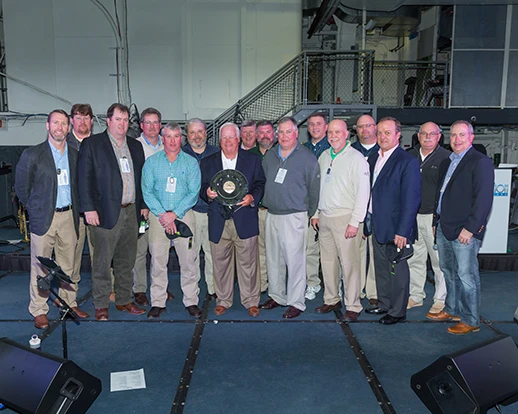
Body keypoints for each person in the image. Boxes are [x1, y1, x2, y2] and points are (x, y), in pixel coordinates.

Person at [15, 109, 88, 329]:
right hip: (44, 218)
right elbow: (21, 188)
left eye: (64, 124)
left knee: (68, 265)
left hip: (69, 217)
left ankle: (68, 304)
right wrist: (35, 210)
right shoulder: (33, 154)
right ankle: (39, 310)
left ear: (69, 128)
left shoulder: (75, 155)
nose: (59, 127)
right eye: (55, 123)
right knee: (41, 267)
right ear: (47, 126)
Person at [77, 103, 148, 321]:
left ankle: (124, 300)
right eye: (118, 119)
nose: (122, 124)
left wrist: (143, 205)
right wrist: (88, 208)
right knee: (102, 262)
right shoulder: (92, 144)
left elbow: (141, 179)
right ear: (108, 121)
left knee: (126, 260)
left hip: (131, 211)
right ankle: (101, 304)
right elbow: (83, 178)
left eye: (125, 120)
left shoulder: (135, 146)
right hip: (103, 212)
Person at [427, 120, 494, 335]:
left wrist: (471, 229)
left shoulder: (480, 162)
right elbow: (440, 195)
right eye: (454, 135)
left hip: (464, 230)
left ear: (471, 137)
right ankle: (452, 309)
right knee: (449, 272)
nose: (457, 139)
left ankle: (470, 319)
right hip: (444, 226)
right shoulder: (447, 162)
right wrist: (436, 222)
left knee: (467, 276)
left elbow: (483, 199)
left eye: (462, 135)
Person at [200, 122, 265, 317]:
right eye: (224, 138)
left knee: (249, 264)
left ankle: (251, 301)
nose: (228, 141)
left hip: (244, 218)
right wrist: (206, 192)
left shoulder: (253, 159)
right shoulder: (208, 162)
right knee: (220, 263)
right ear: (219, 141)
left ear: (238, 139)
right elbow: (201, 186)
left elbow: (260, 183)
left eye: (231, 137)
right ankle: (223, 300)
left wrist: (252, 197)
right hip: (218, 220)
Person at [260, 117, 320, 319]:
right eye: (281, 132)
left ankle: (296, 302)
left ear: (296, 133)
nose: (284, 136)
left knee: (295, 262)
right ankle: (277, 295)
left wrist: (310, 212)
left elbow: (314, 188)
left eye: (288, 132)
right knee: (273, 259)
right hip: (272, 214)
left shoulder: (307, 158)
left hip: (294, 215)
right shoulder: (270, 155)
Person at [312, 120, 370, 321]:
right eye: (330, 132)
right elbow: (319, 187)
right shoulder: (324, 156)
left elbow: (363, 192)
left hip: (346, 218)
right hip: (325, 217)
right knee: (327, 262)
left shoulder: (356, 158)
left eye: (338, 132)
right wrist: (316, 213)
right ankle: (331, 299)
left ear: (347, 134)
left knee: (349, 264)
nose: (333, 136)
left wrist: (355, 221)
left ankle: (353, 305)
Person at [365, 117, 421, 324]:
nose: (382, 136)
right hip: (377, 224)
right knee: (381, 268)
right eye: (379, 132)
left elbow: (411, 199)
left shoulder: (407, 161)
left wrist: (403, 231)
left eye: (387, 132)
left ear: (398, 135)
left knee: (397, 271)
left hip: (397, 227)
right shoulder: (373, 158)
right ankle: (385, 304)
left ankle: (398, 312)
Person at [142, 123, 201, 318]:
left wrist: (174, 214)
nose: (173, 140)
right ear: (163, 138)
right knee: (158, 262)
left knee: (189, 261)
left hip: (184, 216)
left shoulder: (191, 163)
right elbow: (147, 191)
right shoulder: (151, 162)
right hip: (158, 217)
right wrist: (163, 215)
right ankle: (158, 302)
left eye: (176, 136)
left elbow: (193, 192)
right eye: (169, 136)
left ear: (181, 139)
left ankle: (191, 300)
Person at [407, 122, 450, 314]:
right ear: (418, 135)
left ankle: (440, 300)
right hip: (413, 217)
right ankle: (415, 296)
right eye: (424, 133)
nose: (427, 137)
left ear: (439, 136)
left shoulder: (446, 158)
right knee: (414, 258)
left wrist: (438, 219)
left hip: (433, 218)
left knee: (439, 262)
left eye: (432, 134)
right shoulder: (410, 156)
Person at [132, 107, 166, 306]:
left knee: (160, 252)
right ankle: (139, 289)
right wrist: (142, 204)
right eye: (148, 122)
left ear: (160, 125)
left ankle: (160, 288)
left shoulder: (168, 144)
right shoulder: (133, 146)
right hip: (142, 210)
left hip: (164, 210)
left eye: (155, 122)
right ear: (141, 125)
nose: (152, 126)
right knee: (140, 249)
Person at [182, 118, 219, 297]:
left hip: (213, 212)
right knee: (191, 254)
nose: (196, 136)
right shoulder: (181, 154)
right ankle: (192, 291)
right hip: (190, 212)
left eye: (200, 131)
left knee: (213, 253)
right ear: (187, 135)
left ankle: (213, 289)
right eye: (192, 132)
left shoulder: (217, 153)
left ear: (206, 133)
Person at [66, 104, 97, 305]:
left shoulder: (99, 144)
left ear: (92, 121)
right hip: (73, 212)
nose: (82, 122)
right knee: (71, 256)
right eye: (78, 118)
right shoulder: (63, 144)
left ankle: (106, 291)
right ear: (72, 121)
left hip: (97, 211)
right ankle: (70, 296)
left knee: (101, 254)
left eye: (86, 118)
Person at [352, 114, 379, 309]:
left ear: (375, 127)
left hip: (378, 210)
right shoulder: (351, 151)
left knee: (376, 253)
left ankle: (374, 291)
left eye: (368, 125)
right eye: (360, 127)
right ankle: (357, 289)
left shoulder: (384, 150)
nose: (364, 130)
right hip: (355, 210)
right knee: (356, 254)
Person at [303, 112, 330, 301]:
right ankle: (312, 283)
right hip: (308, 207)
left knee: (331, 252)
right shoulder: (302, 150)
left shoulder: (334, 148)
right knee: (309, 250)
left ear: (326, 126)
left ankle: (333, 285)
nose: (315, 127)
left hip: (329, 207)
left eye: (318, 123)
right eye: (311, 124)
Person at [248, 120, 276, 292]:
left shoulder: (282, 153)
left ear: (274, 134)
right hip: (256, 211)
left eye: (268, 132)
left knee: (278, 251)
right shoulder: (249, 155)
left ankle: (277, 286)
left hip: (277, 212)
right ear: (256, 135)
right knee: (258, 251)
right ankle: (262, 284)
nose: (265, 136)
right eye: (261, 133)